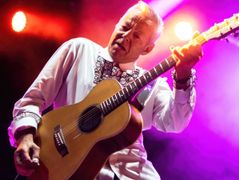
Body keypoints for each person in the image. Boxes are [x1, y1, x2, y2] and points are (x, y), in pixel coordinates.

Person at [8, 1, 203, 179]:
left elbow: (175, 122)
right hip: (62, 166)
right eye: (125, 27)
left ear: (147, 49)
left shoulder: (153, 85)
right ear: (117, 24)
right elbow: (32, 100)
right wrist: (25, 138)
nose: (126, 36)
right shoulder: (79, 50)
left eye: (136, 36)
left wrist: (184, 75)